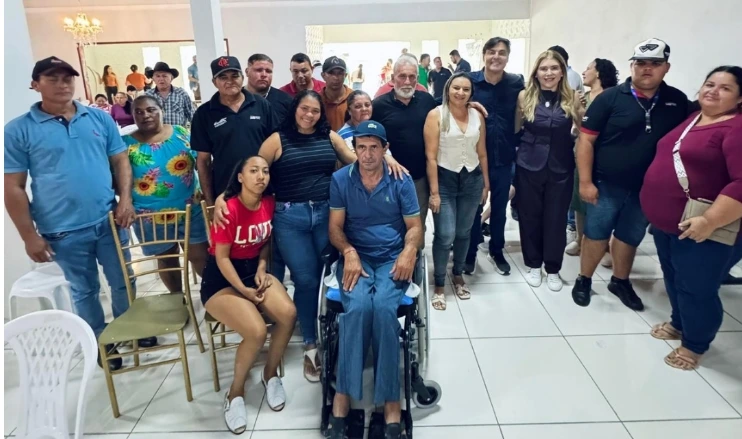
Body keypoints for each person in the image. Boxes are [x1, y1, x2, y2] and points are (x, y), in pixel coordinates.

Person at [4, 56, 146, 372]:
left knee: (123, 280)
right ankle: (100, 343)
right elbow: (13, 186)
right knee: (85, 290)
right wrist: (29, 236)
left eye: (67, 78)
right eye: (52, 78)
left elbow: (120, 160)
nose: (62, 84)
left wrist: (125, 200)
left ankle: (131, 329)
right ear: (35, 84)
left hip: (109, 219)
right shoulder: (18, 130)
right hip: (62, 229)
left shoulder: (98, 119)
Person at [573, 38, 689, 309]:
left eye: (655, 64)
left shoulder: (676, 101)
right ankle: (584, 279)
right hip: (606, 184)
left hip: (648, 189)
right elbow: (586, 140)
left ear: (666, 67)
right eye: (641, 63)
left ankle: (620, 281)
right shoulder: (610, 98)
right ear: (632, 66)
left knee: (630, 235)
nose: (647, 68)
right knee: (596, 233)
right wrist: (586, 182)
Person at [640, 66, 742, 370]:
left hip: (702, 227)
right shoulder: (696, 118)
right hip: (669, 225)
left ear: (740, 98)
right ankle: (679, 322)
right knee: (674, 277)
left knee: (697, 288)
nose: (713, 91)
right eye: (710, 84)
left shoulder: (736, 128)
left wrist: (709, 221)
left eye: (725, 88)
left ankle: (695, 345)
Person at [326, 120, 423, 439]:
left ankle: (391, 402)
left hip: (393, 257)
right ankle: (343, 398)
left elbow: (415, 227)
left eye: (374, 147)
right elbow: (335, 227)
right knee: (357, 310)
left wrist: (409, 250)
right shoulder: (341, 179)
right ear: (354, 149)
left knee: (383, 309)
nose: (367, 154)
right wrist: (348, 251)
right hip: (356, 256)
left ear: (384, 149)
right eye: (361, 147)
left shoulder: (401, 180)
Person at [201, 156, 296, 433]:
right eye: (253, 171)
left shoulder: (269, 203)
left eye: (265, 171)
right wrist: (243, 291)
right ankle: (235, 393)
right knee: (256, 331)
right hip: (221, 280)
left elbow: (264, 242)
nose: (260, 176)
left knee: (288, 314)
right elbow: (221, 258)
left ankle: (270, 374)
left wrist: (263, 267)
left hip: (253, 271)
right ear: (240, 177)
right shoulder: (228, 209)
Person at [123, 95, 209, 292]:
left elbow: (202, 164)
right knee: (167, 259)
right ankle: (177, 299)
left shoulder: (182, 134)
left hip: (190, 210)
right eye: (138, 112)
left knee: (200, 256)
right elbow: (119, 179)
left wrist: (208, 194)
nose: (145, 115)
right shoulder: (126, 144)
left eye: (151, 110)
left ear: (161, 110)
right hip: (150, 217)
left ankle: (213, 297)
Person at [514, 50, 582, 291]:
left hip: (561, 166)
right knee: (529, 216)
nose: (549, 73)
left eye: (554, 68)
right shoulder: (525, 96)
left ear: (562, 72)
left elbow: (582, 131)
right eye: (544, 68)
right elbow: (517, 129)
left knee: (556, 218)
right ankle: (533, 264)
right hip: (528, 164)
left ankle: (553, 268)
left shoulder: (573, 97)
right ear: (536, 73)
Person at [424, 73, 489, 310]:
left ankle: (458, 274)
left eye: (466, 89)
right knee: (445, 234)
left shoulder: (477, 115)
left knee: (464, 232)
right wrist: (434, 193)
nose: (460, 93)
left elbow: (482, 153)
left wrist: (486, 184)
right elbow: (431, 157)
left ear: (471, 93)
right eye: (456, 88)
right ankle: (440, 283)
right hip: (445, 180)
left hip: (472, 179)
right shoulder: (436, 115)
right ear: (448, 89)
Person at [466, 37, 525, 275]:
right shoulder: (470, 81)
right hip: (474, 158)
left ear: (508, 57)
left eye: (502, 52)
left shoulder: (516, 83)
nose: (496, 57)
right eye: (492, 52)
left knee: (499, 209)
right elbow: (448, 103)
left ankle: (497, 250)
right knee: (474, 208)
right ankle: (470, 252)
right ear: (484, 55)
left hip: (504, 157)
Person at [191, 56, 276, 206]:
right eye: (223, 77)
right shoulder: (203, 114)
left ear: (243, 77)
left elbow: (276, 146)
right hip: (226, 194)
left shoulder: (261, 105)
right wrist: (210, 202)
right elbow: (203, 161)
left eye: (234, 76)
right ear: (214, 82)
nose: (230, 81)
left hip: (264, 191)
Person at [372, 54, 439, 239]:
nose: (407, 81)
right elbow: (370, 139)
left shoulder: (427, 101)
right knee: (390, 227)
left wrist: (470, 105)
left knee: (417, 227)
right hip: (387, 180)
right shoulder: (378, 105)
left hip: (419, 179)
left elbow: (450, 109)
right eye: (402, 76)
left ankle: (415, 256)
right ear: (393, 79)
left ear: (417, 79)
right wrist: (385, 155)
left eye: (412, 77)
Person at [565, 58, 619, 257]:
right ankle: (580, 240)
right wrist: (577, 111)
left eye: (588, 68)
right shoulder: (583, 97)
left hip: (606, 155)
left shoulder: (613, 96)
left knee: (605, 200)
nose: (584, 72)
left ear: (598, 72)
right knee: (579, 200)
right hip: (581, 153)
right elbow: (580, 128)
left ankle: (605, 244)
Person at [245, 53, 293, 124]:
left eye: (268, 71)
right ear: (247, 72)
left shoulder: (286, 100)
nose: (264, 75)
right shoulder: (236, 98)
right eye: (259, 70)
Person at [145, 61, 194, 127]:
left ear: (171, 78)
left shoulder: (181, 94)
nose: (161, 79)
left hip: (177, 133)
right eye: (158, 76)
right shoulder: (147, 96)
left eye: (164, 76)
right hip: (154, 133)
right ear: (153, 79)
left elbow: (193, 116)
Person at [321, 56, 354, 131]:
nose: (336, 77)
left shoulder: (354, 98)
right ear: (323, 76)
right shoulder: (317, 100)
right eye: (331, 73)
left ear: (345, 75)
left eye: (340, 73)